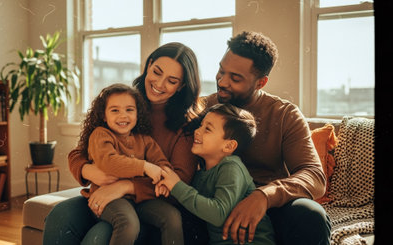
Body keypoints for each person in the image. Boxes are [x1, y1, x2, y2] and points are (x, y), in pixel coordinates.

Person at [42, 42, 204, 245]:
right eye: (156, 72)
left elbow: (178, 182)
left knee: (101, 236)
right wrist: (87, 170)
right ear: (149, 65)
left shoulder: (186, 127)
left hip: (151, 203)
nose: (160, 84)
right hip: (108, 195)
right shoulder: (125, 102)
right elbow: (81, 151)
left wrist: (125, 186)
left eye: (171, 81)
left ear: (181, 86)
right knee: (60, 214)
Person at [203, 31, 331, 245]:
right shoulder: (204, 108)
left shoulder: (284, 114)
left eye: (235, 78)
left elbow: (314, 175)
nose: (222, 81)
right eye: (221, 70)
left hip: (270, 207)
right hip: (216, 205)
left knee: (311, 215)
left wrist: (263, 196)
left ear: (261, 83)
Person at [78, 83, 182, 245]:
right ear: (103, 115)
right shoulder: (100, 135)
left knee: (172, 217)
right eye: (115, 110)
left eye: (129, 110)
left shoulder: (144, 139)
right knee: (129, 223)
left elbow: (161, 162)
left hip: (138, 199)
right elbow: (109, 162)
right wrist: (145, 167)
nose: (123, 116)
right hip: (107, 200)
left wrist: (163, 178)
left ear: (138, 113)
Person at [158, 103, 276, 245]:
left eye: (207, 129)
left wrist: (176, 186)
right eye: (201, 125)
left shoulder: (231, 167)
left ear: (229, 146)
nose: (197, 131)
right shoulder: (201, 172)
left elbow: (217, 214)